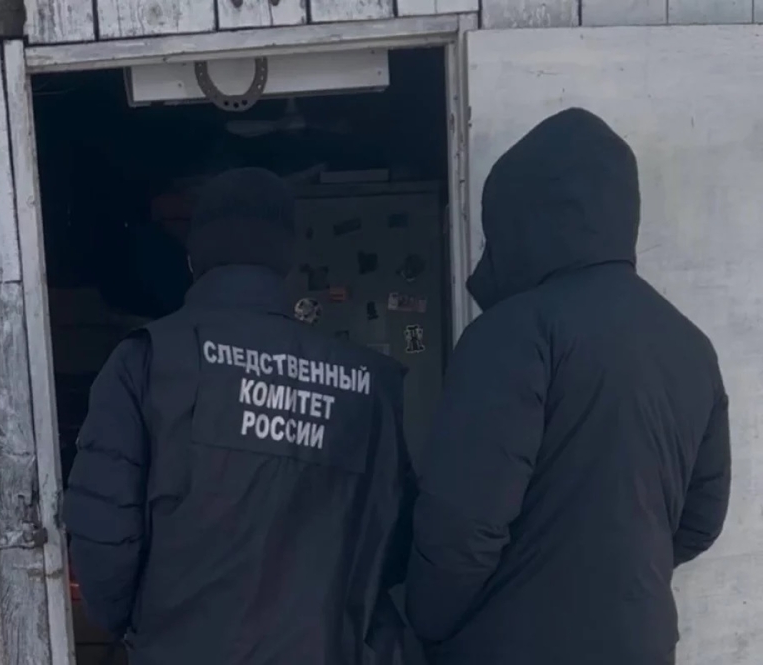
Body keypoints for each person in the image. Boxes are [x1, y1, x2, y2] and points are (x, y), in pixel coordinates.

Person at [405, 108, 731, 665]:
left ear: (527, 221)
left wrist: (425, 623)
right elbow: (702, 520)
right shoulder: (691, 346)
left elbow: (462, 527)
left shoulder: (513, 333)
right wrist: (618, 586)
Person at [64, 167, 414, 665]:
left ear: (193, 257)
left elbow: (102, 534)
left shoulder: (148, 361)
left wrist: (148, 631)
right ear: (288, 259)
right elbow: (395, 542)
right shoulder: (368, 383)